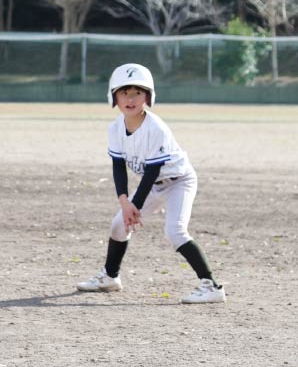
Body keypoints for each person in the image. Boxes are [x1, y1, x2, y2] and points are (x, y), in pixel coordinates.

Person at [76, 63, 226, 304]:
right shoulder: (115, 128)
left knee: (175, 231)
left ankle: (211, 286)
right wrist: (124, 202)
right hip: (154, 185)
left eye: (137, 92)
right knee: (118, 225)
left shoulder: (155, 128)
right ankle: (110, 277)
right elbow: (118, 166)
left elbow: (152, 170)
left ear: (148, 97)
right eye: (124, 92)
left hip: (179, 181)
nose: (130, 99)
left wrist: (134, 205)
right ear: (114, 97)